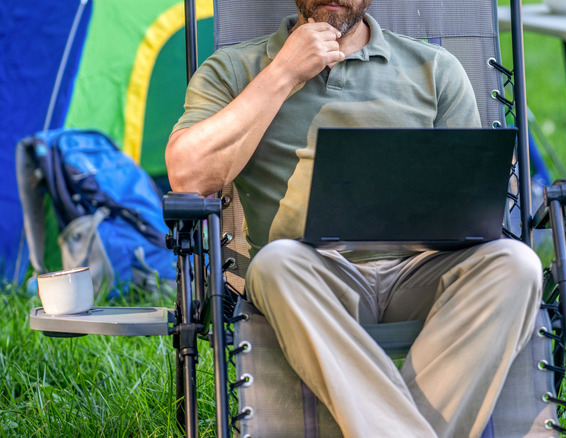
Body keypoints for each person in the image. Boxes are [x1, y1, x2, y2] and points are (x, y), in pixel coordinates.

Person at [166, 1, 542, 436]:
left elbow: (472, 200)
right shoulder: (235, 68)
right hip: (308, 277)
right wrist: (284, 72)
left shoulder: (435, 68)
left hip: (421, 270)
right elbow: (187, 176)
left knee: (517, 265)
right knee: (276, 263)